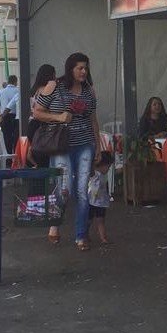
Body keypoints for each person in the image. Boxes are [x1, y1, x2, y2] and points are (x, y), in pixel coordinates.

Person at [33, 53, 101, 251]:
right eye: (80, 68)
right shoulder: (54, 86)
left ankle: (81, 235)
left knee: (82, 191)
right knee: (65, 188)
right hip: (61, 144)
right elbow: (37, 112)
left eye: (86, 68)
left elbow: (93, 120)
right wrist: (58, 117)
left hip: (85, 143)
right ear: (70, 68)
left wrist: (97, 145)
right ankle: (55, 223)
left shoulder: (89, 91)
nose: (83, 72)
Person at [26, 64, 57, 169]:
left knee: (36, 154)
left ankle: (36, 177)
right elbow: (47, 109)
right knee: (44, 158)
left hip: (32, 125)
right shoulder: (47, 90)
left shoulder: (34, 90)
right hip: (43, 126)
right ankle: (44, 180)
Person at [87, 150, 112, 245]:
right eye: (108, 166)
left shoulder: (104, 175)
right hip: (91, 201)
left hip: (101, 201)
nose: (108, 169)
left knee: (101, 220)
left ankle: (103, 238)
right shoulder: (94, 173)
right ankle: (85, 234)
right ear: (101, 165)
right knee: (89, 220)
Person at [0, 75, 19, 154]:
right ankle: (16, 156)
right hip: (16, 116)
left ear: (8, 82)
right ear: (15, 82)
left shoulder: (0, 92)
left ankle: (8, 158)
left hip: (5, 117)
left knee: (6, 138)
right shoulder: (18, 91)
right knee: (16, 138)